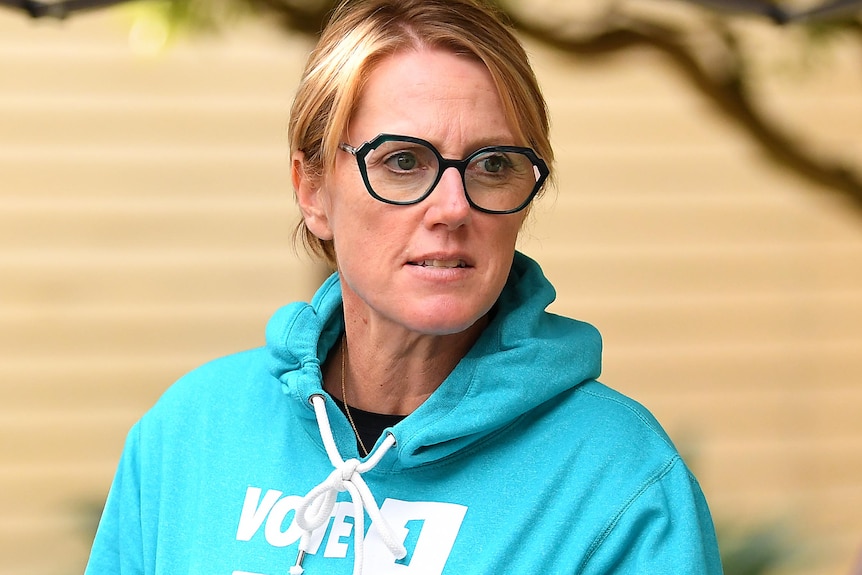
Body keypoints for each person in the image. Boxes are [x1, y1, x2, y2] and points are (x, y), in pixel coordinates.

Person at [85, 0, 723, 573]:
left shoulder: (619, 480)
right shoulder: (189, 434)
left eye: (493, 164)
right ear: (312, 191)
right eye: (401, 160)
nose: (452, 207)